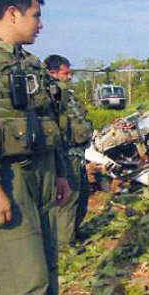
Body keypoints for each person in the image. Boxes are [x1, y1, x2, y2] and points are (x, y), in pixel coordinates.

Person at [0, 0, 71, 295]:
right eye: (36, 15)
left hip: (44, 175)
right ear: (12, 13)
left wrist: (61, 172)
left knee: (47, 274)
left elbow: (50, 119)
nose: (41, 23)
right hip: (9, 180)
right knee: (27, 282)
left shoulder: (30, 63)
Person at [45, 54, 93, 245]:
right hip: (66, 155)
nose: (69, 77)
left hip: (78, 153)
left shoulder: (66, 94)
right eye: (66, 73)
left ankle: (73, 231)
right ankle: (64, 243)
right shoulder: (50, 95)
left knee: (81, 196)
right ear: (53, 73)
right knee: (68, 200)